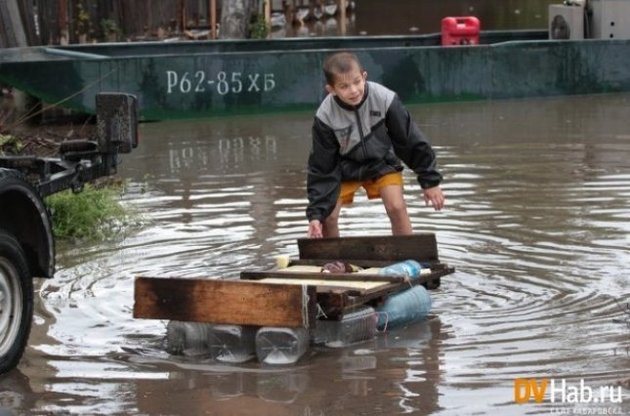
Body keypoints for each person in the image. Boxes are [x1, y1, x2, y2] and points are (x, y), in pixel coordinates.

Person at [306, 51, 444, 238]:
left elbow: (410, 139)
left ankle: (406, 255)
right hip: (343, 168)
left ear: (364, 77)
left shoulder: (385, 98)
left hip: (381, 162)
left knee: (396, 206)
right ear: (331, 90)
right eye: (344, 86)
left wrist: (430, 181)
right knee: (328, 217)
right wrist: (315, 214)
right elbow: (322, 166)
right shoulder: (325, 116)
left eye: (356, 82)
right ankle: (335, 263)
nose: (353, 90)